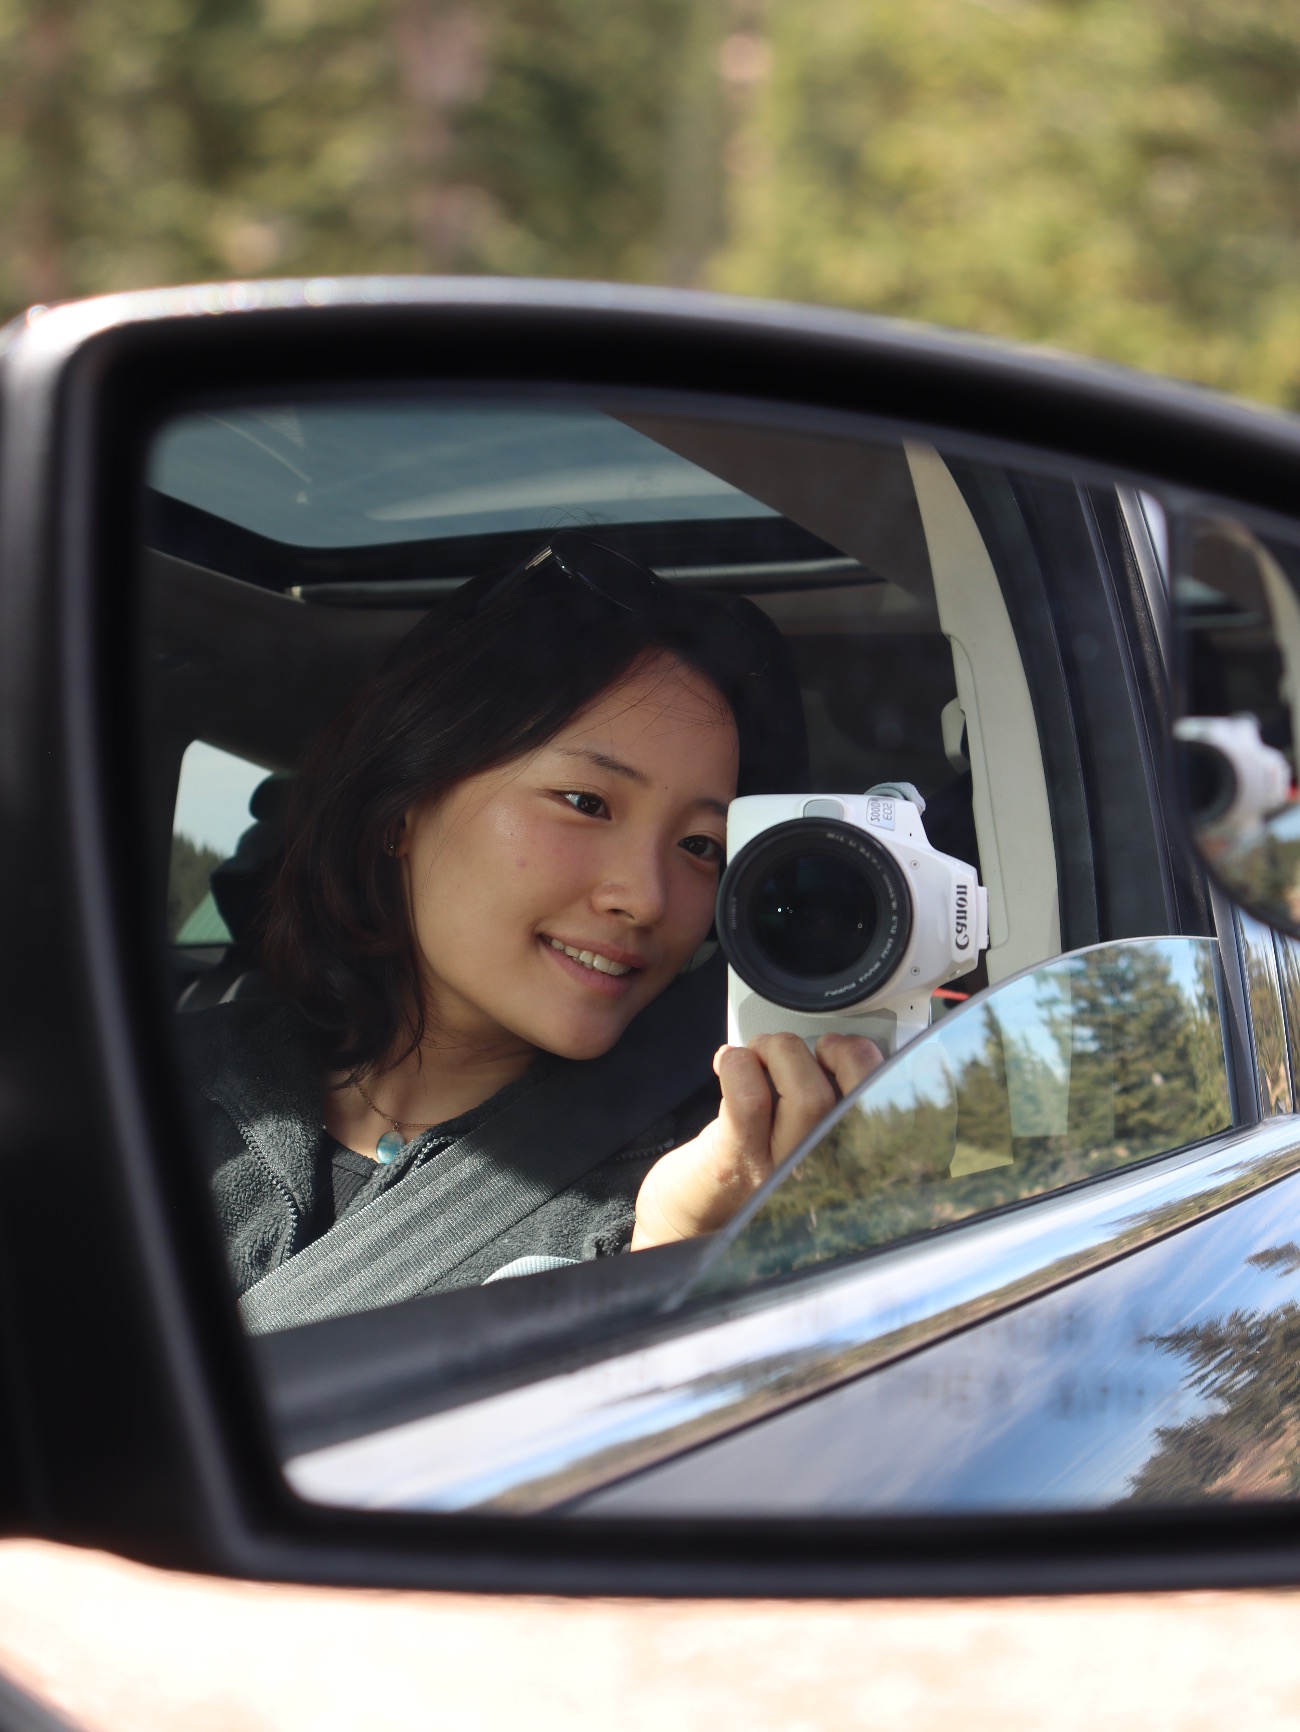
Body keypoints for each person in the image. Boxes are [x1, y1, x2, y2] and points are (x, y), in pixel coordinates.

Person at [180, 533, 881, 1326]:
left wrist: (669, 1256)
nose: (646, 899)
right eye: (587, 803)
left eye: (700, 848)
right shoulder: (157, 1085)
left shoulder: (719, 1165)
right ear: (402, 805)